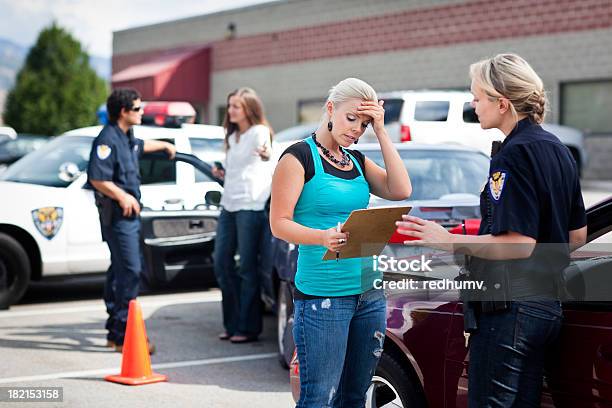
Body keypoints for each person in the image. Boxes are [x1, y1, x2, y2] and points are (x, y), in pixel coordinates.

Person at [397, 53, 587, 406]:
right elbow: (575, 235)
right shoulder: (558, 149)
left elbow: (518, 243)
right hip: (546, 306)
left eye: (478, 97)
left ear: (502, 103)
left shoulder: (513, 153)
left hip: (510, 311)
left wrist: (450, 240)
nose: (473, 104)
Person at [270, 77, 411, 407]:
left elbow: (401, 189)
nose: (356, 130)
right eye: (352, 119)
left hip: (368, 292)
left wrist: (382, 130)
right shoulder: (298, 157)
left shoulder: (356, 161)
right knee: (319, 397)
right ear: (330, 109)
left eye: (364, 124)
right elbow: (278, 224)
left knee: (353, 396)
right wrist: (322, 237)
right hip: (323, 296)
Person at [88, 88, 176, 353]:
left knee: (119, 271)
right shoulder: (107, 139)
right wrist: (123, 196)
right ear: (123, 112)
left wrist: (163, 145)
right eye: (137, 109)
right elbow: (97, 177)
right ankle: (127, 335)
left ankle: (115, 332)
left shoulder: (126, 137)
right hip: (118, 217)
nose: (142, 113)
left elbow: (140, 147)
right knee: (130, 271)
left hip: (129, 218)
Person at [213, 87, 274, 343]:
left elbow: (267, 152)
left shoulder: (259, 132)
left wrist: (266, 152)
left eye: (236, 106)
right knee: (221, 262)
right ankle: (232, 323)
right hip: (229, 205)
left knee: (247, 268)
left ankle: (247, 328)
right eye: (230, 106)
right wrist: (221, 173)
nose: (231, 110)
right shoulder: (233, 136)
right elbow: (232, 169)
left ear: (249, 108)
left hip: (251, 206)